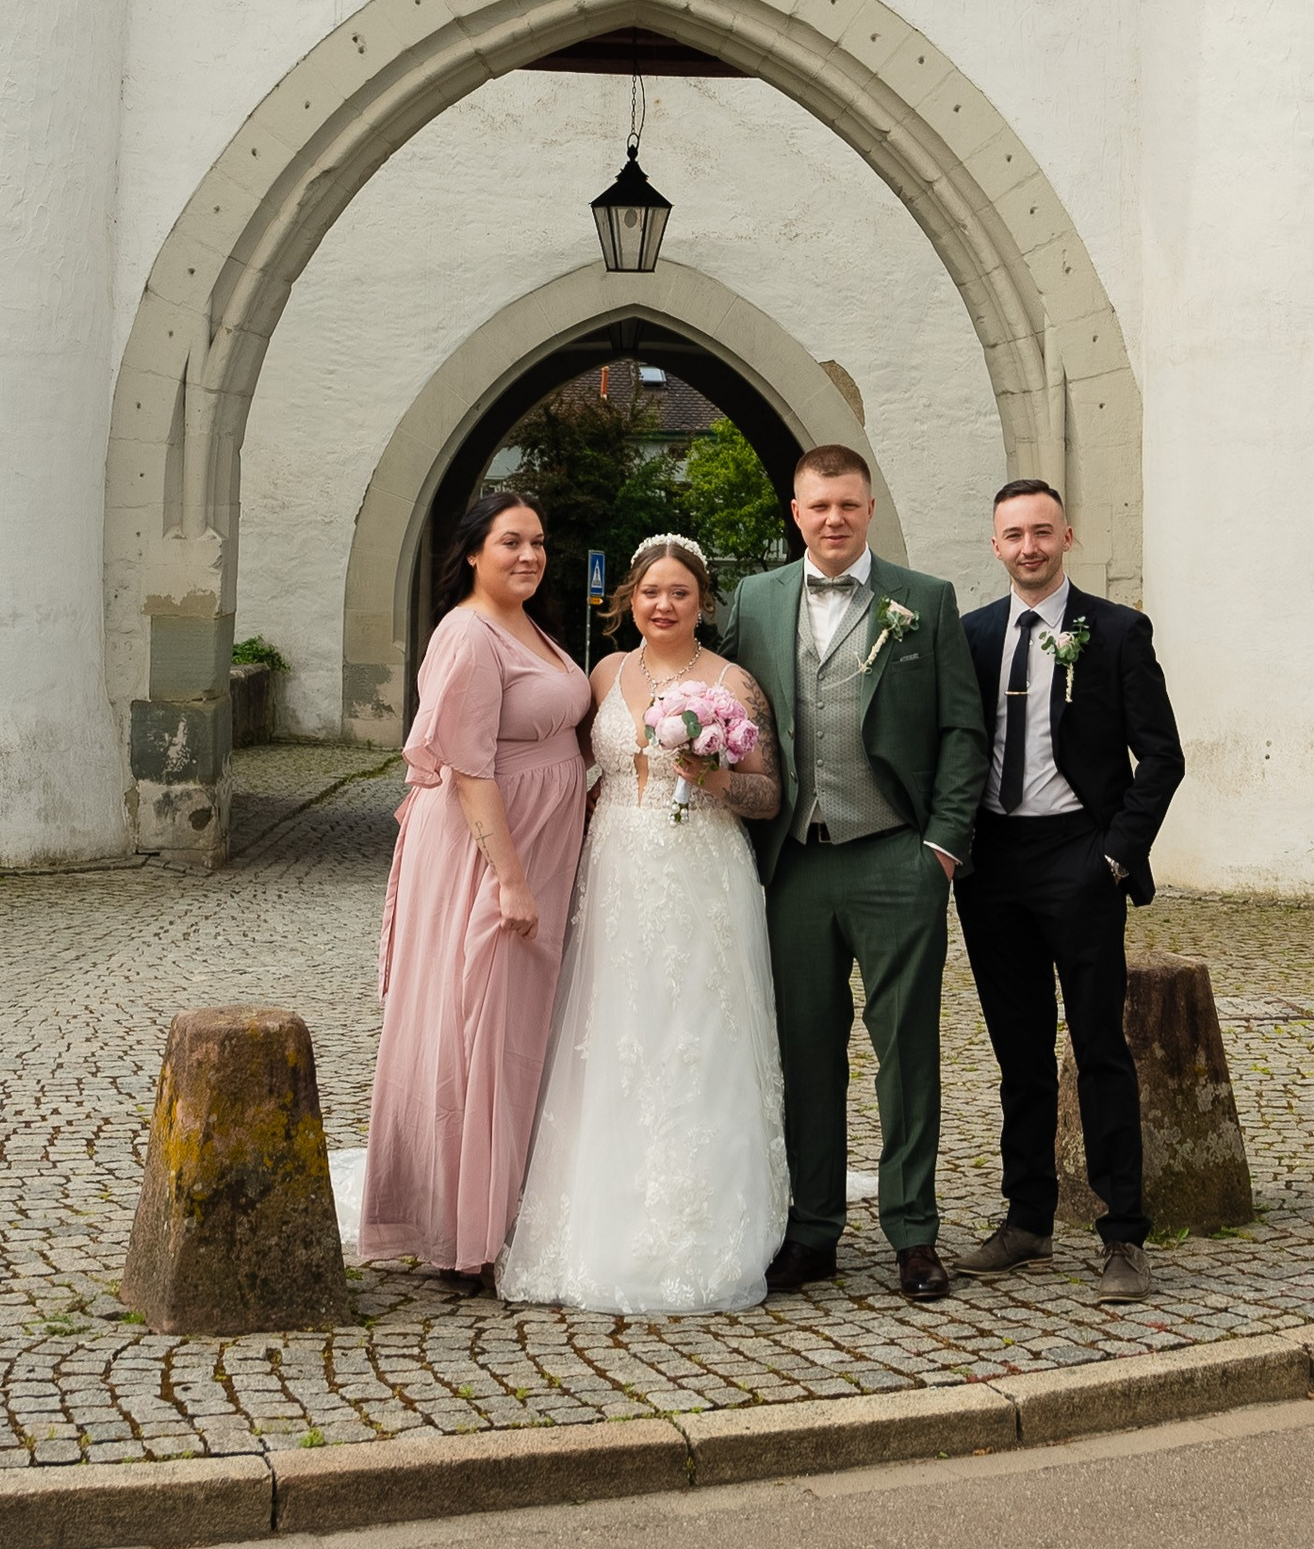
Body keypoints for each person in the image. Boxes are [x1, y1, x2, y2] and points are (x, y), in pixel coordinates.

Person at [716, 443, 987, 1301]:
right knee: (807, 1054)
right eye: (816, 506)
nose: (833, 520)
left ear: (869, 509)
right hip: (794, 862)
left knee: (907, 1052)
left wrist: (940, 846)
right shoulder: (754, 601)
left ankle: (913, 1232)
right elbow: (731, 707)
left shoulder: (925, 601)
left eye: (848, 505)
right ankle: (814, 1230)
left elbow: (961, 732)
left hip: (893, 857)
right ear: (794, 513)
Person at [498, 535, 786, 1312]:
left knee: (693, 1034)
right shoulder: (603, 675)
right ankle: (597, 1211)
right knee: (612, 1031)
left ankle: (701, 1216)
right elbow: (571, 771)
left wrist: (716, 776)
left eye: (681, 593)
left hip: (702, 873)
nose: (664, 604)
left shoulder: (735, 683)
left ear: (704, 604)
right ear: (630, 598)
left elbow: (769, 797)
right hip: (615, 867)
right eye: (651, 591)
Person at [956, 478, 1185, 1300]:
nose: (1028, 546)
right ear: (995, 545)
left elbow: (1162, 756)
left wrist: (1115, 857)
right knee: (1019, 1054)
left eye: (1042, 532)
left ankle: (1123, 1234)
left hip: (1079, 857)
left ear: (1067, 537)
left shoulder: (1117, 632)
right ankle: (1027, 1222)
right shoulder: (972, 636)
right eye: (1013, 534)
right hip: (992, 866)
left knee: (1099, 1050)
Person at [358, 490, 592, 1291]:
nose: (527, 555)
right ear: (472, 552)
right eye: (509, 542)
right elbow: (468, 767)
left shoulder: (530, 627)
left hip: (536, 844)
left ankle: (502, 1206)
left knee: (517, 1026)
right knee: (477, 1024)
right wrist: (511, 880)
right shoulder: (467, 633)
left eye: (537, 542)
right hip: (485, 853)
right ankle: (463, 1232)